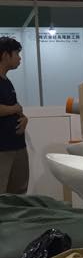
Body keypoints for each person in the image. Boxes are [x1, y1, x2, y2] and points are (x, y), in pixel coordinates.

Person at [0, 36, 29, 194]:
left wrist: (24, 119)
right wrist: (14, 108)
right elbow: (13, 107)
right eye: (17, 53)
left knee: (19, 195)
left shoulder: (7, 82)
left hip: (18, 146)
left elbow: (16, 108)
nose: (19, 58)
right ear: (5, 55)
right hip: (2, 149)